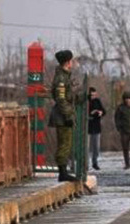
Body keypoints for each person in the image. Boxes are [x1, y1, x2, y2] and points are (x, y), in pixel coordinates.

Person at [48, 50, 78, 182]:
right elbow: (61, 99)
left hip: (64, 115)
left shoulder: (65, 76)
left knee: (66, 143)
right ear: (68, 62)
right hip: (62, 117)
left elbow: (69, 96)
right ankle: (62, 172)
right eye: (72, 60)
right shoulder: (61, 77)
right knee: (64, 144)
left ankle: (64, 171)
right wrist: (68, 116)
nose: (73, 62)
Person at [88, 87, 106, 170]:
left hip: (96, 126)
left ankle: (95, 162)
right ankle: (86, 164)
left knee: (96, 147)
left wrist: (100, 112)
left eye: (95, 95)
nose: (93, 96)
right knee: (86, 147)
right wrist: (91, 113)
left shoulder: (97, 101)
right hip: (87, 127)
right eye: (92, 95)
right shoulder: (86, 102)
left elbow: (104, 111)